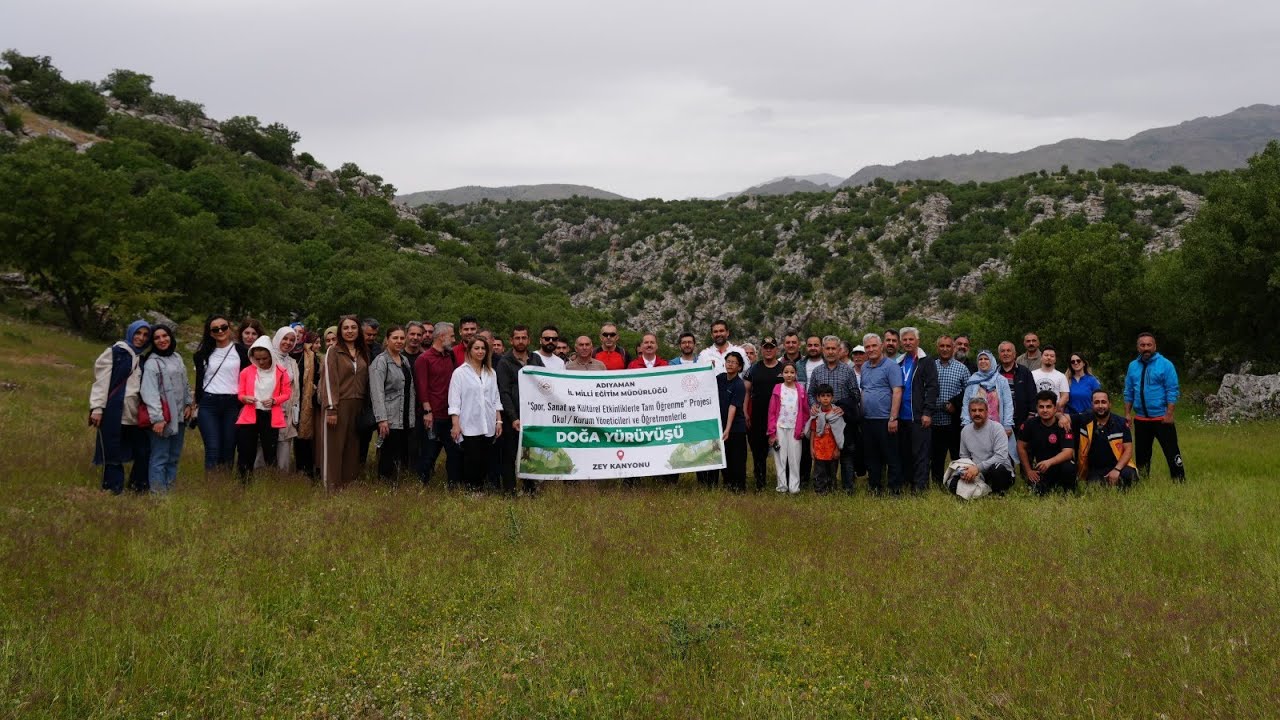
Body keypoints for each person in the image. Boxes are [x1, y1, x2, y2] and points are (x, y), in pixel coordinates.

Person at [89, 320, 152, 494]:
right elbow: (101, 381)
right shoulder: (115, 352)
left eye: (145, 335)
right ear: (130, 332)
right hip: (114, 410)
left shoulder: (142, 358)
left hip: (135, 412)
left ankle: (138, 485)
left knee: (143, 449)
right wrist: (97, 408)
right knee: (112, 449)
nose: (141, 338)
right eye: (138, 333)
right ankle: (113, 487)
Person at [1124, 332, 1185, 482]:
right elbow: (1129, 391)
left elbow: (1172, 390)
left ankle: (1179, 480)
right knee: (1142, 455)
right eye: (1142, 345)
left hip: (1162, 418)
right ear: (1138, 347)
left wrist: (1169, 414)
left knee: (1172, 452)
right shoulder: (1133, 366)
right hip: (1141, 419)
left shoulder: (1165, 365)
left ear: (1155, 346)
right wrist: (1127, 413)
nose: (1146, 348)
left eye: (1149, 345)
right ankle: (1143, 481)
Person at [140, 323, 193, 493]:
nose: (162, 340)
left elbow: (184, 383)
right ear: (152, 342)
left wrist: (188, 404)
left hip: (180, 417)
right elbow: (149, 392)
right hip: (163, 418)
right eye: (157, 338)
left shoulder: (176, 357)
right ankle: (158, 495)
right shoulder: (151, 363)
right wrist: (157, 419)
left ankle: (169, 489)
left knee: (174, 457)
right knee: (160, 457)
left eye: (165, 336)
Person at [193, 315, 250, 470]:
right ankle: (212, 485)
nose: (220, 331)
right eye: (215, 329)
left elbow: (248, 378)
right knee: (212, 448)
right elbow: (200, 380)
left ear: (229, 327)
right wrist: (195, 402)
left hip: (232, 403)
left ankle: (223, 486)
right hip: (208, 403)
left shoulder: (242, 352)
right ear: (210, 333)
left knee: (228, 448)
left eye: (223, 327)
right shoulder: (202, 354)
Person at [319, 316, 370, 490]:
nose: (349, 331)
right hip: (338, 404)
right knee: (334, 446)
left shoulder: (363, 352)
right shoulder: (333, 351)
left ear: (359, 330)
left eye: (353, 327)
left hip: (357, 405)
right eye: (346, 328)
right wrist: (331, 408)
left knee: (352, 447)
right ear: (340, 331)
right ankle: (331, 486)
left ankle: (348, 486)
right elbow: (329, 380)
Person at [807, 335, 862, 493]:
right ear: (823, 350)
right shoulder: (817, 372)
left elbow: (856, 395)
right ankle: (824, 486)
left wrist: (844, 407)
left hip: (842, 420)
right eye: (828, 348)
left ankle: (848, 489)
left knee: (845, 454)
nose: (830, 352)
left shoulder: (847, 371)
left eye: (833, 348)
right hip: (823, 421)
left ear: (839, 350)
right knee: (823, 456)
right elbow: (811, 393)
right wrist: (813, 406)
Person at [449, 336, 502, 492]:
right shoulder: (459, 373)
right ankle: (472, 490)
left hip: (489, 423)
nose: (480, 351)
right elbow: (454, 401)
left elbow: (496, 398)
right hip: (469, 423)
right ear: (469, 351)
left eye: (483, 348)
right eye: (476, 348)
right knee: (472, 459)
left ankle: (483, 489)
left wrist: (499, 421)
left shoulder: (491, 372)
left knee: (486, 459)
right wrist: (455, 424)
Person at [497, 325, 545, 495]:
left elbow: (545, 385)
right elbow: (504, 392)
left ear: (529, 340)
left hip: (533, 416)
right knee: (509, 456)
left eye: (524, 338)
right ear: (511, 340)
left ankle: (530, 489)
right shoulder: (504, 362)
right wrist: (513, 417)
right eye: (517, 338)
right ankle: (510, 491)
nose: (520, 341)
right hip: (513, 418)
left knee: (530, 454)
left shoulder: (536, 360)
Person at [236, 337, 292, 479]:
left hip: (270, 415)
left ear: (271, 356)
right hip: (250, 414)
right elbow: (240, 394)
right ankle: (244, 481)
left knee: (270, 451)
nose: (261, 362)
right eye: (257, 359)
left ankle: (270, 482)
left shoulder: (281, 372)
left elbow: (286, 393)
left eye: (264, 358)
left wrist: (274, 400)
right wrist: (245, 398)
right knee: (246, 450)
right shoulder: (246, 372)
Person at [414, 321, 460, 487]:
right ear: (442, 337)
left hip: (449, 415)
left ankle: (453, 486)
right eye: (452, 336)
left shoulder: (450, 356)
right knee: (429, 453)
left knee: (454, 452)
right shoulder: (424, 359)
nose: (454, 340)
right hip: (432, 416)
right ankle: (422, 485)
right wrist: (427, 412)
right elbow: (422, 387)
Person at [369, 325, 416, 481]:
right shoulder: (380, 362)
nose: (399, 341)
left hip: (404, 415)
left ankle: (396, 483)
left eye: (402, 338)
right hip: (389, 416)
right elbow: (377, 393)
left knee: (400, 453)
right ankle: (385, 484)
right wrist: (382, 419)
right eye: (395, 338)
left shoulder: (404, 360)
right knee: (388, 453)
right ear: (387, 340)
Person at [858, 333, 904, 494]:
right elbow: (864, 390)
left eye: (874, 346)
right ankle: (874, 487)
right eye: (867, 347)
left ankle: (894, 489)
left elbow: (897, 392)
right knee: (872, 457)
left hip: (885, 419)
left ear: (881, 346)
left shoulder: (891, 366)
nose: (871, 349)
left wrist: (893, 418)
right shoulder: (864, 367)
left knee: (891, 456)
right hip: (868, 419)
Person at [1068, 389, 1138, 487]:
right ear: (1092, 404)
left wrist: (1116, 470)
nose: (1100, 406)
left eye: (1103, 402)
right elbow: (1062, 416)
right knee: (1094, 487)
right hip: (1096, 469)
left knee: (1128, 476)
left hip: (1119, 466)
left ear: (1110, 404)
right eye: (1097, 402)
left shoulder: (1121, 423)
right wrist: (1062, 418)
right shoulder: (1084, 419)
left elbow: (1128, 450)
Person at [897, 327, 938, 493]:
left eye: (911, 339)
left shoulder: (926, 361)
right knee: (905, 453)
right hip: (902, 415)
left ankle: (920, 487)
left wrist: (928, 412)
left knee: (920, 454)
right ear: (901, 342)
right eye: (905, 340)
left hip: (919, 415)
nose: (908, 342)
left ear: (917, 341)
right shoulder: (899, 362)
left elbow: (933, 387)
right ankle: (908, 483)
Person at [1016, 390, 1078, 494]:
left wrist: (1049, 462)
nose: (1045, 410)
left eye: (1048, 406)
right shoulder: (1029, 424)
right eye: (1041, 407)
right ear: (1037, 408)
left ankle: (1068, 491)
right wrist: (1028, 471)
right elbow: (1020, 446)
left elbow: (1068, 453)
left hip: (1058, 467)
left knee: (1069, 467)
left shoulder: (1063, 425)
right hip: (1039, 468)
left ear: (1055, 408)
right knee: (1038, 493)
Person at [961, 350, 1015, 468]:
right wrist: (965, 423)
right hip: (977, 425)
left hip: (998, 425)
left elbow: (1008, 403)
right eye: (980, 359)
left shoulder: (1001, 380)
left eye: (986, 359)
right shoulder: (972, 381)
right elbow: (966, 404)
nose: (983, 361)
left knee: (1000, 454)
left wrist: (1007, 424)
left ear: (992, 361)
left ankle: (1004, 476)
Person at [931, 334, 970, 488]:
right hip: (935, 420)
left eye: (948, 346)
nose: (945, 349)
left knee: (957, 455)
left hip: (954, 421)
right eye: (942, 346)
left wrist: (956, 405)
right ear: (937, 348)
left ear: (953, 348)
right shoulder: (930, 366)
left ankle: (958, 484)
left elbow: (969, 393)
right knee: (936, 457)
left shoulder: (962, 369)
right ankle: (936, 484)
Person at [743, 336, 782, 491]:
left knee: (781, 452)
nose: (768, 350)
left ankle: (782, 483)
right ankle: (760, 485)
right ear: (761, 349)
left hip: (779, 417)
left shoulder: (783, 368)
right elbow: (746, 391)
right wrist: (745, 411)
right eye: (765, 347)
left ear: (776, 349)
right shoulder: (753, 369)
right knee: (758, 453)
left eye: (771, 347)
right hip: (758, 417)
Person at [956, 396, 1016, 495]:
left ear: (987, 412)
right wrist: (966, 471)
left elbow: (1001, 457)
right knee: (954, 480)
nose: (977, 413)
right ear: (969, 413)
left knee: (997, 470)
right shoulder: (965, 431)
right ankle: (981, 488)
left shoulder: (997, 428)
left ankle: (997, 493)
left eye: (980, 410)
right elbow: (964, 457)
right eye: (973, 410)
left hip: (1000, 470)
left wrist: (977, 468)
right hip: (978, 472)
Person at [767, 362, 806, 494]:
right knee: (780, 458)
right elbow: (772, 412)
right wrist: (772, 433)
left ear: (796, 374)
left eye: (792, 372)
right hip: (780, 428)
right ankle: (782, 487)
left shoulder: (800, 389)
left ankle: (794, 488)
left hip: (795, 428)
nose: (789, 375)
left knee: (795, 459)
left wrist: (802, 429)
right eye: (786, 372)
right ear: (782, 374)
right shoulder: (778, 388)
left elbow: (805, 411)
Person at [267, 326, 301, 471]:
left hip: (286, 410)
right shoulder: (267, 357)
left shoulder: (292, 362)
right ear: (278, 338)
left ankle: (281, 480)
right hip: (268, 408)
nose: (288, 342)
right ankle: (260, 476)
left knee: (284, 444)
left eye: (292, 340)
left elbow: (295, 388)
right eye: (285, 338)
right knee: (264, 444)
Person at [715, 351, 748, 491]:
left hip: (736, 428)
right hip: (721, 426)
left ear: (739, 367)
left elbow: (733, 407)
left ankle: (739, 488)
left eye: (734, 362)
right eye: (728, 361)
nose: (730, 364)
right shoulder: (720, 378)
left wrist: (727, 429)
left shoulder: (739, 385)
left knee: (737, 460)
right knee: (726, 458)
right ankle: (728, 486)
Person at [804, 383, 845, 494]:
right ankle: (820, 491)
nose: (825, 398)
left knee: (832, 472)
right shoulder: (816, 414)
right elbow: (813, 431)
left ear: (832, 397)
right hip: (819, 448)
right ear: (818, 398)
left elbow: (839, 433)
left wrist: (837, 449)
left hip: (832, 449)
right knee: (819, 472)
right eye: (822, 396)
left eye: (828, 395)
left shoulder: (836, 414)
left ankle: (832, 491)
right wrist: (811, 448)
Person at [293, 330, 322, 478]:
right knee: (301, 436)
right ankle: (302, 468)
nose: (318, 345)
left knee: (309, 437)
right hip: (302, 400)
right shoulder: (304, 357)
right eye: (316, 342)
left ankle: (309, 467)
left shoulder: (316, 358)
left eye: (319, 342)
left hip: (312, 402)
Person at [997, 341, 1037, 429]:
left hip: (1021, 420)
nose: (1006, 353)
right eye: (1003, 351)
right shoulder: (994, 373)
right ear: (999, 355)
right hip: (998, 420)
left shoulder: (1024, 372)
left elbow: (1032, 394)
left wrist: (1030, 417)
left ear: (1014, 354)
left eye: (1008, 351)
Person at [1031, 346, 1069, 410]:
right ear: (1041, 357)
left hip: (1055, 413)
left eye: (1052, 356)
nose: (1049, 357)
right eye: (1046, 355)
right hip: (1036, 412)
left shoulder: (1061, 376)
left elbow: (1065, 396)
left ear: (1055, 359)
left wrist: (1054, 409)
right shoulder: (1032, 374)